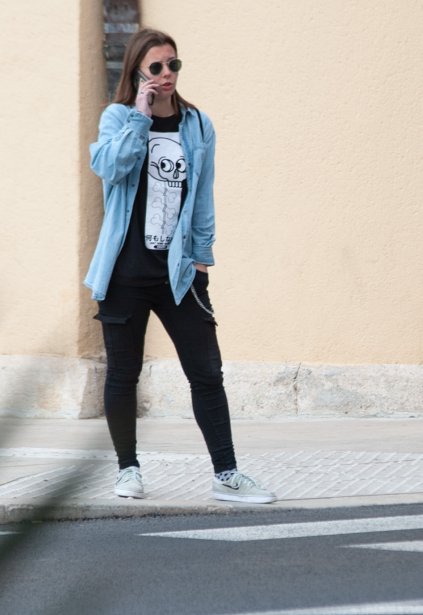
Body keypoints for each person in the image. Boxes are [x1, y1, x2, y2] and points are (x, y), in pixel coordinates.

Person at [84, 28, 276, 503]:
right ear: (137, 73)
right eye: (157, 67)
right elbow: (111, 168)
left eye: (174, 65)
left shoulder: (197, 125)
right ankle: (128, 469)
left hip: (178, 272)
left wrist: (203, 259)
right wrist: (140, 119)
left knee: (207, 372)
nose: (167, 74)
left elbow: (203, 196)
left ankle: (227, 474)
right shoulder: (118, 118)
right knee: (123, 374)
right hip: (125, 273)